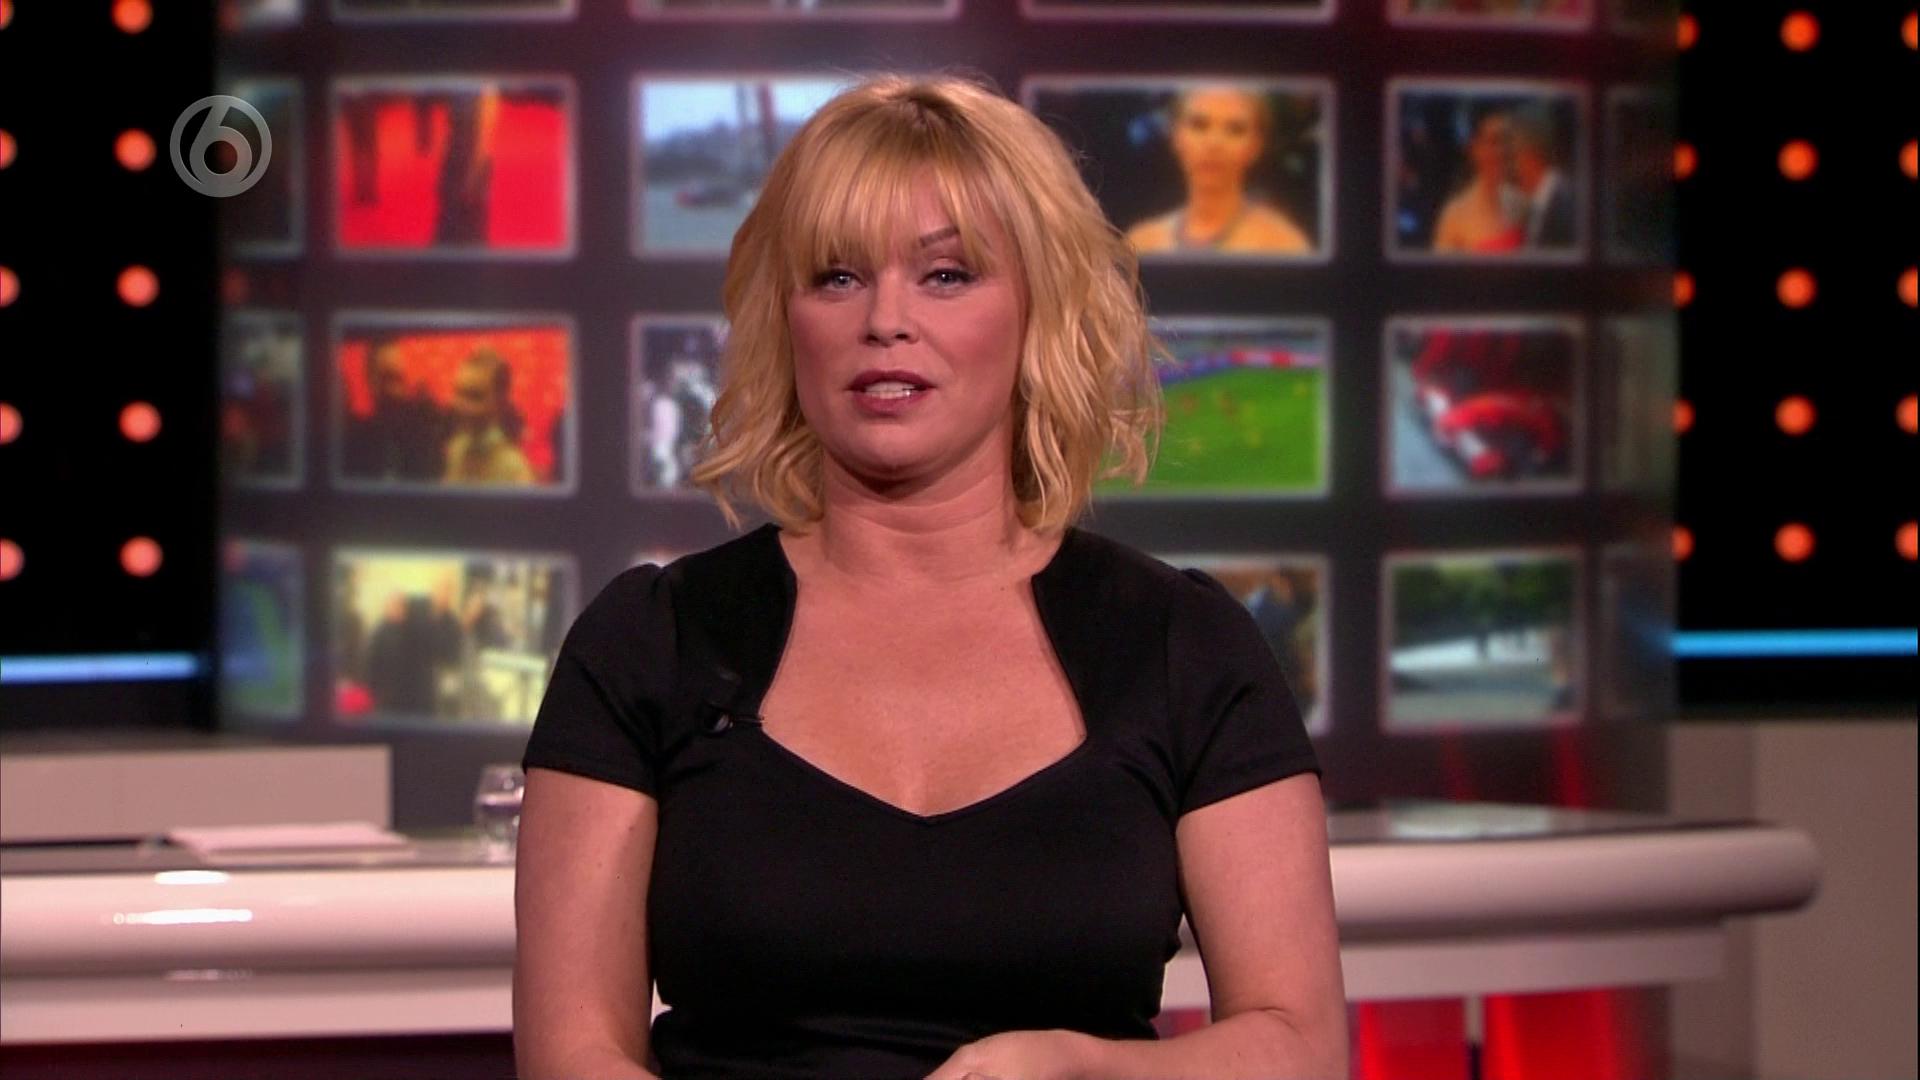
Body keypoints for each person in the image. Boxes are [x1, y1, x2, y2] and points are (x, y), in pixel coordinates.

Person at [514, 74, 1346, 1080]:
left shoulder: (1182, 645)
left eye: (946, 275)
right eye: (836, 276)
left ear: (1037, 311)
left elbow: (1298, 1044)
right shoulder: (652, 640)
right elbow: (574, 1052)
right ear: (786, 320)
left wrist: (1082, 1070)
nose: (885, 319)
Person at [1125, 86, 1314, 256]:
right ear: (1176, 137)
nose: (1214, 144)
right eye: (1199, 125)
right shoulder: (1142, 242)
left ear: (1255, 147)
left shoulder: (1283, 243)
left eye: (1235, 129)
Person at [1430, 110, 1527, 254]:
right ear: (1475, 149)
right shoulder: (1454, 216)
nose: (1502, 151)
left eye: (1507, 141)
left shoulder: (1520, 203)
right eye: (1494, 142)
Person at [1511, 108, 1575, 250]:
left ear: (1530, 155)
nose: (1513, 168)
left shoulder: (1568, 203)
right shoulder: (1535, 204)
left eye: (1515, 156)